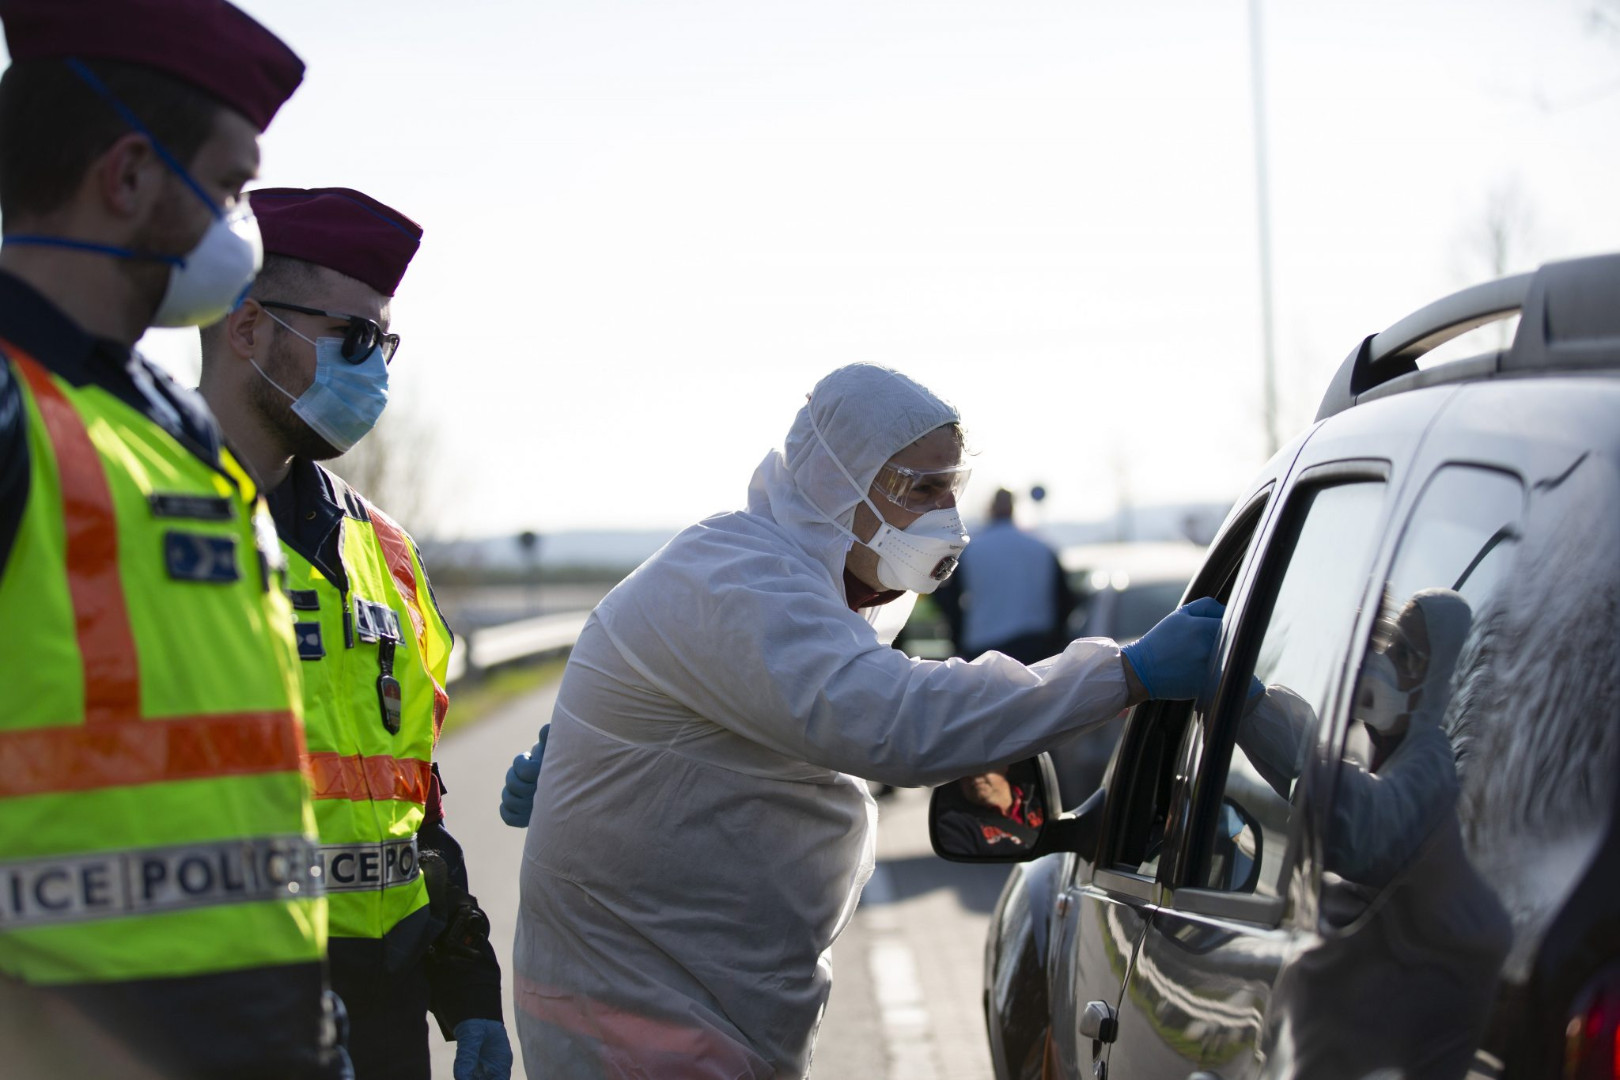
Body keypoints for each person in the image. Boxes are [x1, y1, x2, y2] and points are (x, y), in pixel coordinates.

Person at [499, 363, 1222, 1078]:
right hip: (637, 1014)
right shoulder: (740, 579)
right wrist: (1122, 673)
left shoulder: (806, 585)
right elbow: (902, 722)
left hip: (697, 1004)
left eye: (953, 487)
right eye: (922, 489)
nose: (947, 517)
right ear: (834, 483)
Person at [0, 2, 350, 1076]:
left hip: (267, 1035)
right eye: (234, 186)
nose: (241, 227)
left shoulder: (170, 420)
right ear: (130, 175)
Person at [196, 187, 511, 1080]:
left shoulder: (387, 551)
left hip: (381, 1013)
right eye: (356, 339)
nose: (375, 372)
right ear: (248, 327)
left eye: (387, 345)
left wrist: (468, 987)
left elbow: (412, 798)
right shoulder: (129, 516)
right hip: (212, 1013)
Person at [935, 486, 1073, 663]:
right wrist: (1056, 640)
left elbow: (948, 598)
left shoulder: (971, 550)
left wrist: (957, 640)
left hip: (983, 647)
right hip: (1037, 646)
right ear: (1014, 508)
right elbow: (1064, 599)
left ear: (990, 508)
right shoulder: (1041, 547)